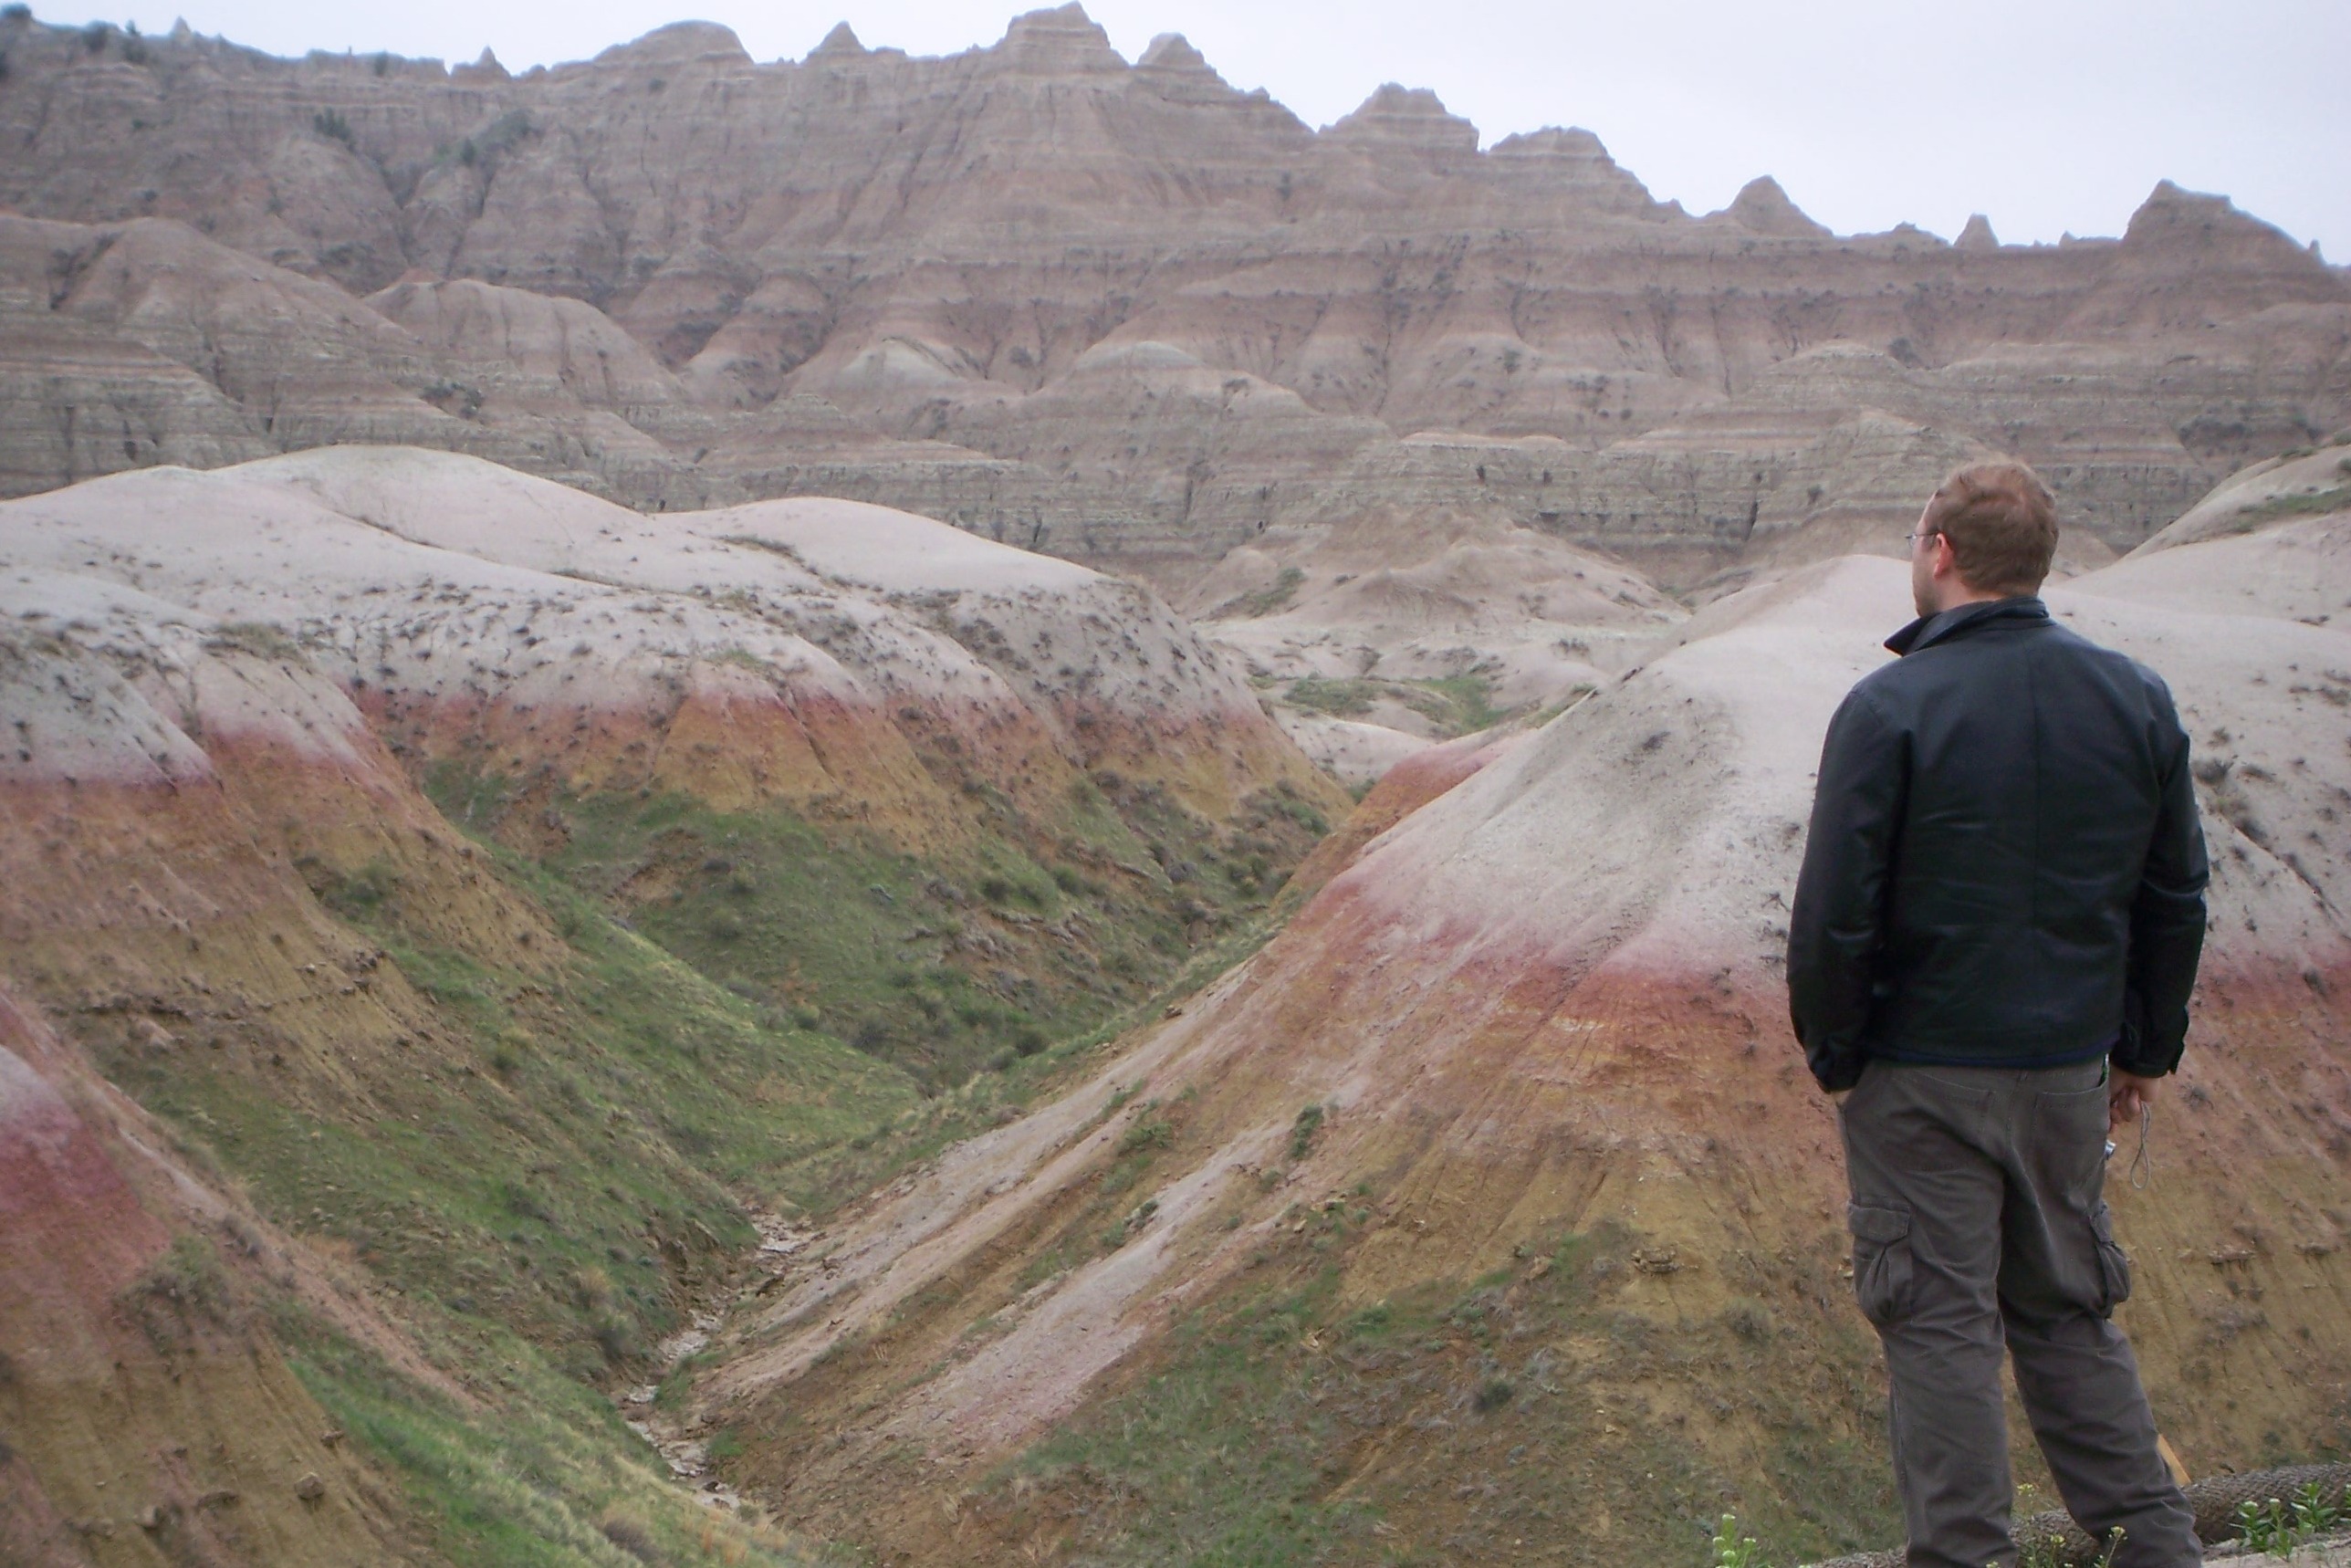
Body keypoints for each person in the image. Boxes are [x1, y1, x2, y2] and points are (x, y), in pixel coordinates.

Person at [1787, 461, 2210, 1568]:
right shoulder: (2133, 696)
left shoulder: (1888, 705)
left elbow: (1835, 908)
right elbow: (2172, 895)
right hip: (2068, 1069)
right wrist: (2142, 1049)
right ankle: (2158, 1549)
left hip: (1920, 1073)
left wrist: (1838, 1055)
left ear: (1937, 550)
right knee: (2068, 1312)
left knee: (1937, 1328)